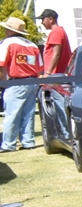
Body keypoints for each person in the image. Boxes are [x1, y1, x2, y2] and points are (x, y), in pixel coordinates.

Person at [0, 17, 44, 151]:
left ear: (10, 30)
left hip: (16, 82)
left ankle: (8, 144)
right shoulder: (33, 45)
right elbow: (39, 66)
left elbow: (2, 64)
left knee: (12, 114)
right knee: (28, 113)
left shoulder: (7, 43)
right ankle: (28, 141)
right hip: (32, 82)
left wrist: (3, 82)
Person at [38, 10, 73, 141]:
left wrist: (47, 73)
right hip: (58, 74)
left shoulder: (56, 32)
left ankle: (67, 135)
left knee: (60, 106)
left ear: (51, 19)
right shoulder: (60, 31)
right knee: (60, 105)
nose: (42, 22)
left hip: (55, 75)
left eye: (43, 19)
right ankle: (67, 133)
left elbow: (56, 54)